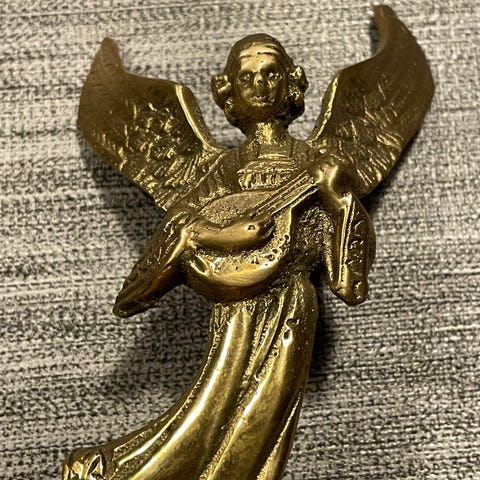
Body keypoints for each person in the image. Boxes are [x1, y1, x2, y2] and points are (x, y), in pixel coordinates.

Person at [64, 33, 373, 480]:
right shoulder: (221, 170)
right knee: (213, 407)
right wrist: (222, 233)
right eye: (247, 77)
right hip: (235, 308)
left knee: (265, 425)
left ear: (290, 82)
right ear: (229, 92)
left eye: (271, 73)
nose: (260, 84)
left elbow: (348, 283)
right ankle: (107, 470)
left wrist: (340, 200)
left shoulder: (316, 161)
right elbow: (180, 231)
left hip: (292, 308)